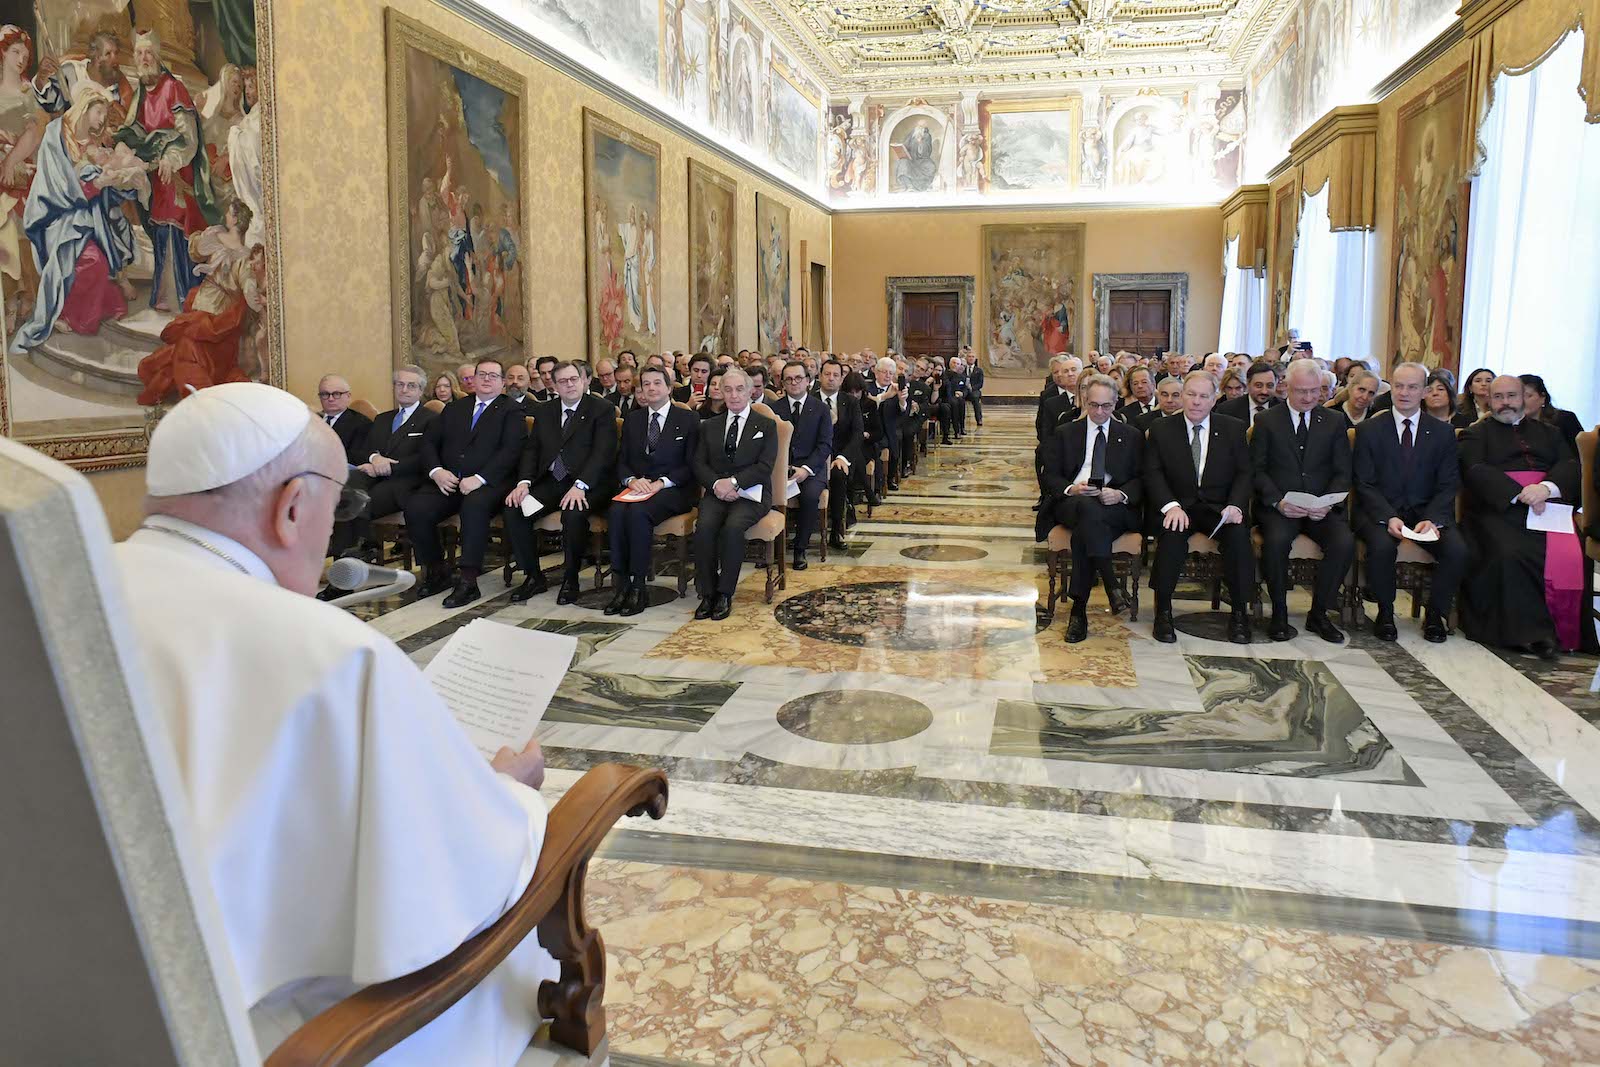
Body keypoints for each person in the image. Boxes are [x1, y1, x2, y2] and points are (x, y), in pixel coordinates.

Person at [114, 383, 555, 1064]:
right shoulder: (336, 656)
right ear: (291, 507)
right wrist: (510, 793)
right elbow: (457, 875)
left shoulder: (76, 589)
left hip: (106, 997)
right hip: (270, 1033)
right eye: (338, 506)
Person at [1457, 375, 1584, 657]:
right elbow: (1474, 469)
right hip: (1498, 510)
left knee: (1575, 552)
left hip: (1547, 505)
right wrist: (1518, 493)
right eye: (1499, 397)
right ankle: (1526, 634)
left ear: (1523, 398)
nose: (1506, 403)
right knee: (1510, 551)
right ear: (1489, 400)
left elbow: (1570, 463)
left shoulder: (1549, 433)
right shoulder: (1476, 433)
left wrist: (1546, 488)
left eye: (1512, 396)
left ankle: (1566, 633)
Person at [1351, 361, 1465, 643]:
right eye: (1399, 386)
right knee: (1380, 547)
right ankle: (1386, 613)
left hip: (1427, 513)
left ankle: (1436, 616)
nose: (1404, 393)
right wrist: (1388, 516)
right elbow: (1364, 482)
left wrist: (1434, 518)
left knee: (1457, 550)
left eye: (1412, 387)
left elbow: (1449, 483)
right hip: (1381, 512)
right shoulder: (1369, 429)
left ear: (1424, 391)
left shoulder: (1442, 433)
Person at [1144, 370, 1254, 645]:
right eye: (1190, 395)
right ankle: (1164, 612)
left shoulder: (1233, 428)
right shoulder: (1162, 429)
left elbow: (1244, 472)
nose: (1196, 402)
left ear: (1214, 399)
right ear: (1182, 396)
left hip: (1219, 508)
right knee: (1171, 539)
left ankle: (1240, 613)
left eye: (1203, 396)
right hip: (1179, 506)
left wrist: (1235, 505)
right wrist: (1170, 506)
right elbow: (1153, 473)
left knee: (1239, 539)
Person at [405, 358, 526, 607]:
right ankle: (438, 570)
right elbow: (428, 443)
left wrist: (480, 479)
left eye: (493, 376)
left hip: (490, 483)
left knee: (474, 506)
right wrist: (437, 471)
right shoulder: (455, 408)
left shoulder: (511, 410)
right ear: (473, 379)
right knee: (416, 507)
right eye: (482, 374)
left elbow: (511, 451)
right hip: (449, 481)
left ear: (503, 382)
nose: (486, 379)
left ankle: (469, 581)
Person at [1250, 359, 1354, 643]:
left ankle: (1319, 614)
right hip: (1281, 508)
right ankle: (1280, 614)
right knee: (1275, 542)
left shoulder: (1333, 421)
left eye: (1314, 391)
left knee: (1344, 543)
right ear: (1286, 388)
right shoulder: (1267, 421)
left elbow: (1343, 471)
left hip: (1321, 508)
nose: (1308, 397)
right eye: (1301, 391)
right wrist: (1278, 502)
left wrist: (1328, 503)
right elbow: (1256, 470)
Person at [116, 31, 216, 311]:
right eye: (138, 54)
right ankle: (164, 295)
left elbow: (188, 136)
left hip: (177, 173)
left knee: (176, 225)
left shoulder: (174, 88)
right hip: (154, 177)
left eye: (148, 53)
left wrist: (171, 159)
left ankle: (186, 296)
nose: (143, 58)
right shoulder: (139, 95)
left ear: (157, 56)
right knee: (159, 228)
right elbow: (135, 131)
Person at [504, 361, 617, 605]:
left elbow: (603, 453)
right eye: (563, 381)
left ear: (584, 380)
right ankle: (533, 576)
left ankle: (571, 578)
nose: (569, 384)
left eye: (573, 379)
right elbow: (532, 450)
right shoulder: (546, 411)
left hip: (590, 484)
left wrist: (581, 485)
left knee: (573, 514)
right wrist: (523, 483)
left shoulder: (602, 409)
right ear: (553, 385)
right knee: (516, 509)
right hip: (553, 483)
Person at [1041, 375, 1143, 643]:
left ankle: (1079, 610)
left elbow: (1142, 478)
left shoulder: (1130, 436)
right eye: (1094, 405)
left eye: (1106, 406)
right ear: (1085, 402)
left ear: (1116, 403)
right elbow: (1050, 475)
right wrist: (1071, 489)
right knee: (1087, 508)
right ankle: (1111, 583)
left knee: (1088, 528)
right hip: (1072, 502)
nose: (1099, 412)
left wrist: (1120, 494)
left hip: (1113, 507)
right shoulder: (1066, 432)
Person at [324, 364, 438, 570]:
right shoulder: (382, 419)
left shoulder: (431, 419)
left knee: (359, 503)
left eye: (411, 385)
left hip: (406, 481)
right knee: (344, 492)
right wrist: (374, 457)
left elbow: (426, 457)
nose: (404, 389)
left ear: (421, 391)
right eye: (400, 384)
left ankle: (356, 557)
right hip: (374, 476)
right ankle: (347, 561)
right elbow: (363, 450)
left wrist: (391, 467)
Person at [606, 366, 700, 615]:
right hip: (639, 486)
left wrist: (661, 483)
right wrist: (630, 480)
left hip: (674, 489)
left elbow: (692, 464)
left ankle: (638, 587)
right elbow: (622, 459)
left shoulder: (688, 419)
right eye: (646, 384)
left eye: (657, 383)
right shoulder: (634, 420)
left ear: (669, 388)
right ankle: (621, 584)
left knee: (638, 514)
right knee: (616, 511)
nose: (651, 388)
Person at [691, 368, 778, 620]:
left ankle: (725, 593)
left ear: (750, 391)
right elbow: (699, 463)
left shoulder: (766, 425)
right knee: (705, 527)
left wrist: (734, 483)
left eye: (740, 389)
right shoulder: (709, 426)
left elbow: (764, 466)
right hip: (717, 491)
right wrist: (717, 484)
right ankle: (707, 593)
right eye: (727, 389)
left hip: (752, 493)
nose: (734, 395)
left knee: (732, 528)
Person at [773, 360, 833, 571]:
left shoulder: (821, 408)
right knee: (766, 492)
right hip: (781, 468)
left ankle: (800, 549)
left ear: (808, 381)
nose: (794, 383)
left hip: (812, 469)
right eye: (789, 379)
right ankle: (772, 549)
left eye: (798, 378)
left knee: (808, 496)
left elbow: (824, 445)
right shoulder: (775, 408)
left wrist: (805, 470)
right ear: (783, 383)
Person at [817, 359, 863, 550]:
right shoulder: (810, 400)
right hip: (816, 457)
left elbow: (857, 433)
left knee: (838, 475)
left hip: (840, 456)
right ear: (820, 376)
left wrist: (843, 457)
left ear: (841, 378)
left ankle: (836, 529)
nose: (831, 379)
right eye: (827, 374)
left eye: (836, 375)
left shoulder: (850, 401)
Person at [1520, 373, 1585, 454]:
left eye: (1528, 396)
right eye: (1519, 396)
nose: (1522, 401)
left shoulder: (1565, 419)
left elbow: (1581, 455)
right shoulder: (1514, 425)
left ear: (1543, 397)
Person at [315, 375, 372, 465]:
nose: (330, 399)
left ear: (348, 396)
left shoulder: (361, 424)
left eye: (336, 394)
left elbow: (356, 457)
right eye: (325, 394)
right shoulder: (311, 420)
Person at [868, 356, 902, 493]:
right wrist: (884, 397)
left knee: (894, 442)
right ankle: (876, 482)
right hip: (871, 429)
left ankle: (888, 479)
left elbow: (902, 412)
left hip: (888, 430)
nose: (887, 375)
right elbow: (867, 405)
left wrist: (902, 401)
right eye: (884, 372)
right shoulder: (867, 388)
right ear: (876, 373)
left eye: (891, 373)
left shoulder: (897, 389)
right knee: (873, 446)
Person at [1216, 360, 1282, 428]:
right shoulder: (1226, 410)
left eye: (1269, 386)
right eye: (1258, 385)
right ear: (1248, 384)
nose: (1264, 391)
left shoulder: (1283, 410)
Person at [965, 348, 985, 427]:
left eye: (972, 357)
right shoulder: (962, 369)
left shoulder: (979, 370)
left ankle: (979, 419)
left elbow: (980, 384)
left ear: (975, 358)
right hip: (964, 390)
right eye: (969, 356)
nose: (971, 358)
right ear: (966, 358)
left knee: (976, 398)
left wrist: (972, 388)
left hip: (974, 390)